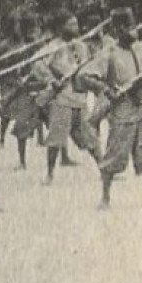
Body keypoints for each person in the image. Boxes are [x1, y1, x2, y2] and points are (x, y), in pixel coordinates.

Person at [79, 8, 142, 209]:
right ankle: (105, 198)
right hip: (122, 110)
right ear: (118, 29)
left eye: (133, 25)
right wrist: (107, 89)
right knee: (114, 156)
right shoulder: (109, 53)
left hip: (140, 108)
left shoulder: (138, 48)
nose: (132, 31)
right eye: (127, 27)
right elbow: (85, 76)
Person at [38, 12, 101, 183]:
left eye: (76, 24)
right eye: (71, 24)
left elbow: (88, 67)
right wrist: (52, 80)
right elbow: (37, 65)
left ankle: (104, 168)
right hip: (62, 99)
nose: (76, 28)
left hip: (79, 98)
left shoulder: (81, 46)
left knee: (89, 136)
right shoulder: (53, 47)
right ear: (61, 28)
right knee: (56, 138)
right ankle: (50, 174)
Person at [0, 13, 45, 170]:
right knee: (6, 114)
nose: (17, 28)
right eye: (14, 25)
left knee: (29, 115)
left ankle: (36, 143)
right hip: (9, 85)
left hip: (23, 85)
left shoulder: (25, 44)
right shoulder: (3, 46)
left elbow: (32, 63)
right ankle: (2, 139)